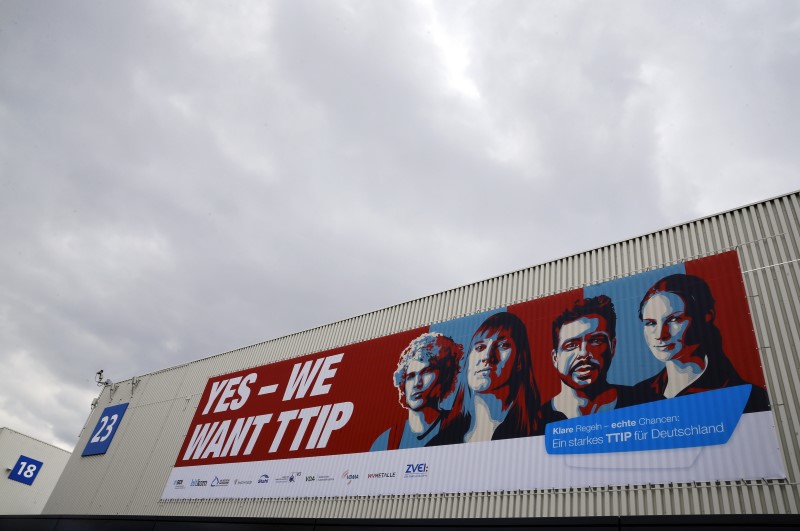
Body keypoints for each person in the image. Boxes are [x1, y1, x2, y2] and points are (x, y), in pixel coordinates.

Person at [633, 273, 769, 413]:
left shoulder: (748, 397)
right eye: (650, 323)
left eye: (674, 320)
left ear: (707, 316)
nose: (661, 335)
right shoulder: (636, 396)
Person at [430, 312, 542, 445]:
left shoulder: (546, 427)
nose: (487, 356)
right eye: (479, 347)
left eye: (502, 345)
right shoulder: (440, 442)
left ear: (519, 361)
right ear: (468, 362)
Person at [542, 295, 640, 424]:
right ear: (555, 358)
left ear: (613, 347)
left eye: (596, 341)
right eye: (571, 345)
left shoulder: (644, 402)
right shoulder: (533, 422)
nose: (583, 353)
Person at [370, 332, 462, 451]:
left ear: (445, 377)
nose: (417, 383)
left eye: (426, 372)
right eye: (411, 376)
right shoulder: (385, 442)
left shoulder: (460, 425)